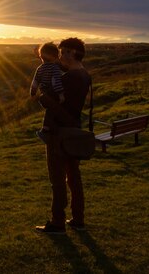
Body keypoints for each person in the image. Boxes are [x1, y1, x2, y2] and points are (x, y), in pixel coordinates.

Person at [35, 37, 92, 234]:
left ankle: (57, 222)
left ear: (74, 53)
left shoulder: (68, 78)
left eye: (65, 51)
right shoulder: (85, 75)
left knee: (57, 179)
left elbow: (49, 100)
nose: (61, 55)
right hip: (74, 129)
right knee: (73, 177)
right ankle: (78, 219)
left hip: (58, 131)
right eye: (61, 51)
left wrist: (43, 95)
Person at [30, 42, 65, 143]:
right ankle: (45, 130)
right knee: (52, 110)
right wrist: (61, 94)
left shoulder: (39, 68)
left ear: (41, 56)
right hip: (52, 94)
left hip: (43, 94)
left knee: (50, 110)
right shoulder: (54, 68)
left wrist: (32, 94)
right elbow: (56, 82)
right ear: (55, 56)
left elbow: (35, 82)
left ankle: (48, 130)